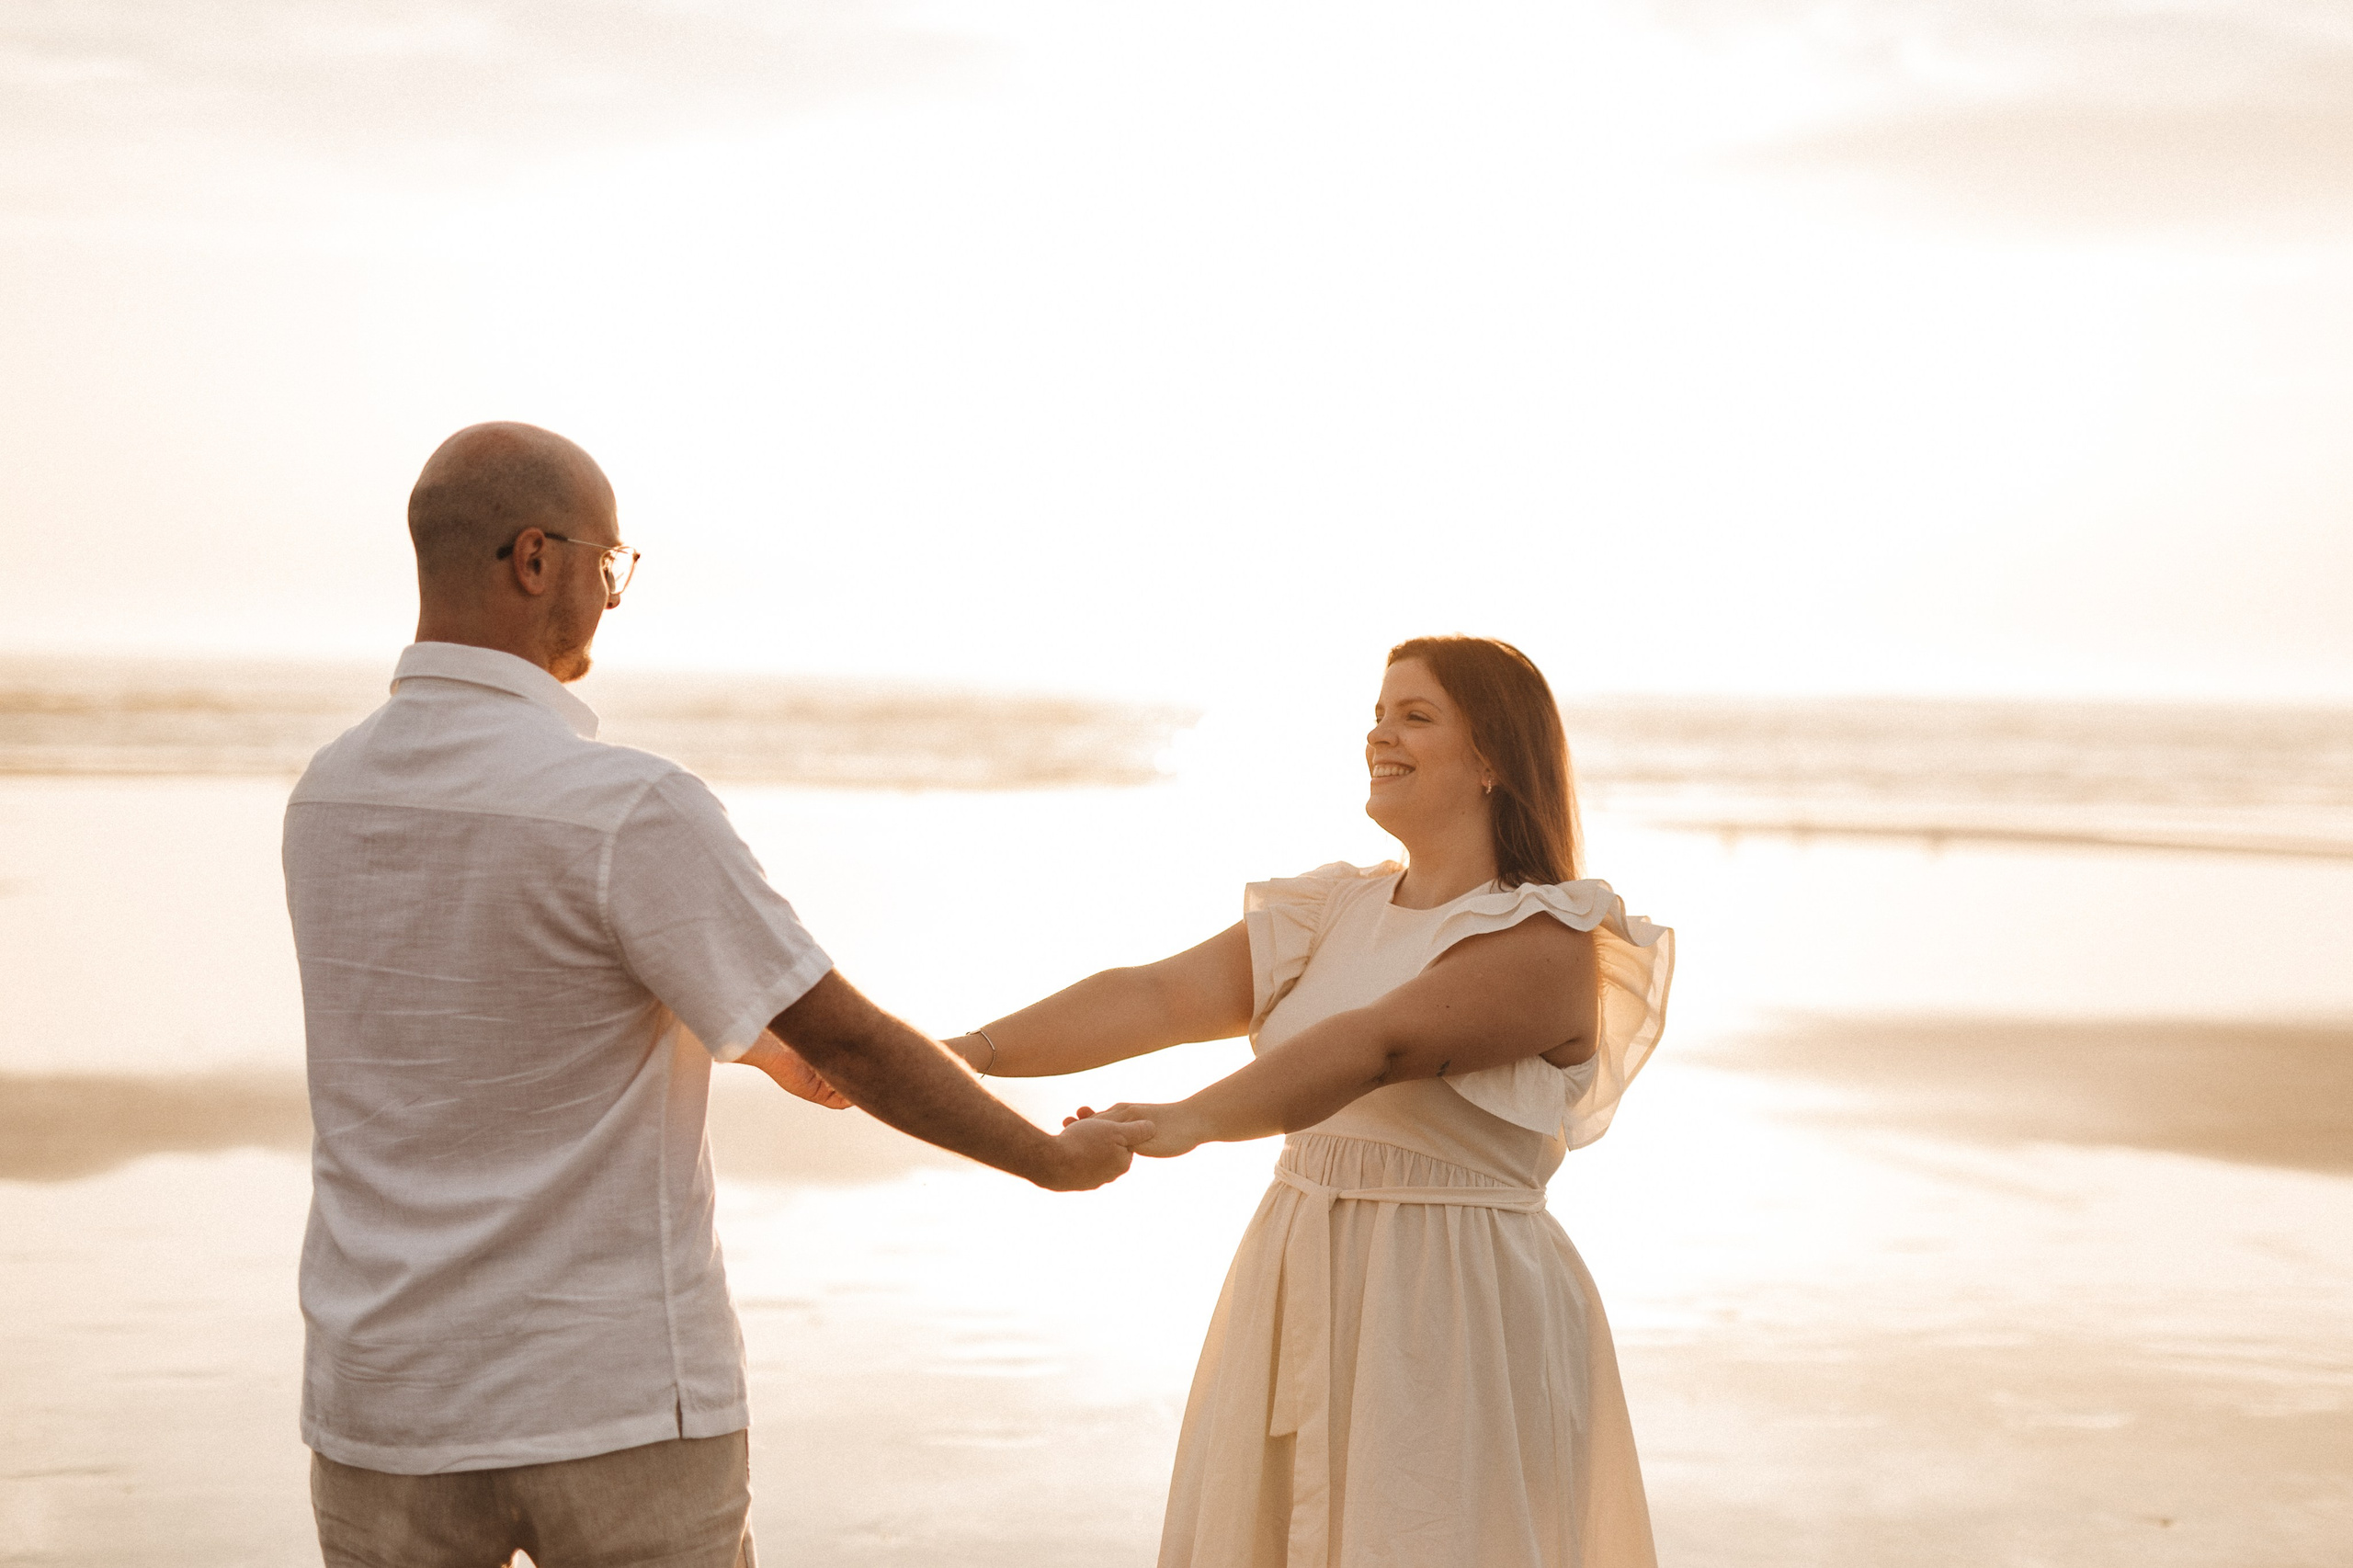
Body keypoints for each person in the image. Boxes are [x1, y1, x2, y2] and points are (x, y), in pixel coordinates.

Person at [284, 421, 1151, 1568]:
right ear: (534, 559)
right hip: (612, 1400)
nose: (609, 596)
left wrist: (761, 1047)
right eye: (609, 565)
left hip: (382, 1398)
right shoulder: (625, 804)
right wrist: (1050, 1157)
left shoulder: (327, 793)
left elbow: (496, 1010)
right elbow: (846, 1032)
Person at [937, 636, 1674, 1568]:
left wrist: (1191, 1117)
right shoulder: (1329, 908)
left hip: (1449, 1302)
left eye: (1414, 715)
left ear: (1491, 756)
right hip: (1297, 1266)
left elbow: (1375, 1044)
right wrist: (962, 1055)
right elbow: (1157, 993)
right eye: (1377, 712)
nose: (1379, 734)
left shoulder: (1548, 935)